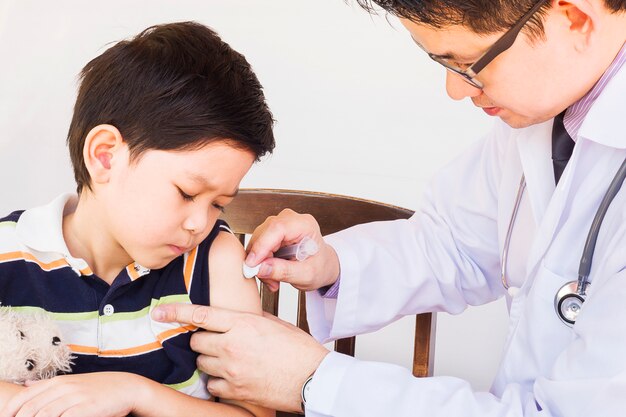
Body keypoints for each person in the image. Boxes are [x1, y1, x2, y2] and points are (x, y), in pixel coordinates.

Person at [152, 0, 626, 416]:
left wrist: (314, 382)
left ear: (573, 18)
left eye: (467, 64)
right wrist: (332, 265)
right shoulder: (543, 118)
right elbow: (452, 243)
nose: (456, 90)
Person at [0, 21, 275, 417]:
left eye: (219, 203)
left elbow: (255, 413)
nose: (200, 223)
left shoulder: (216, 262)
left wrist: (136, 394)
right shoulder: (9, 252)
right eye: (187, 193)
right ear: (105, 156)